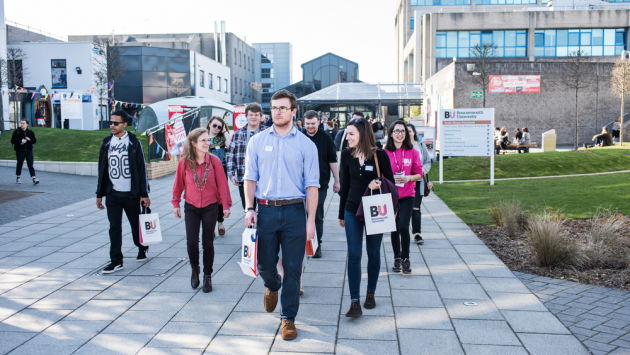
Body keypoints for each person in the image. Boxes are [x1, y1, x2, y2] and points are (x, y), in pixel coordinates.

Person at [244, 89, 319, 341]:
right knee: (265, 264)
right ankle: (272, 285)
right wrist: (249, 208)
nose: (277, 112)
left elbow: (312, 186)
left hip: (294, 211)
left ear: (293, 111)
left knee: (293, 267)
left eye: (282, 108)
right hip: (264, 209)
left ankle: (288, 318)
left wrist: (310, 221)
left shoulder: (306, 145)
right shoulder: (257, 141)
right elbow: (250, 178)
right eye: (274, 108)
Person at [338, 117, 395, 317]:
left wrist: (377, 181)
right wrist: (341, 213)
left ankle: (370, 293)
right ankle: (355, 301)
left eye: (351, 133)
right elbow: (344, 186)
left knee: (373, 252)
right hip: (352, 209)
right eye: (347, 133)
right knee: (354, 254)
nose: (347, 137)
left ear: (362, 134)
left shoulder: (379, 155)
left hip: (375, 209)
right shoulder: (346, 155)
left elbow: (390, 181)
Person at [172, 128, 232, 292]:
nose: (207, 143)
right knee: (192, 242)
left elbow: (223, 185)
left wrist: (225, 205)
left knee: (208, 242)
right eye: (203, 140)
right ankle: (195, 269)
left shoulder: (214, 162)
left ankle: (207, 275)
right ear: (193, 143)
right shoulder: (184, 162)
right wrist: (175, 203)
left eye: (208, 140)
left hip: (210, 206)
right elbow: (178, 185)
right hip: (191, 207)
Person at [96, 110, 150, 274]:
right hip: (113, 194)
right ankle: (116, 260)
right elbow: (102, 170)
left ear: (125, 124)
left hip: (131, 194)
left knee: (135, 225)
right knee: (114, 227)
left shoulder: (133, 142)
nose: (112, 126)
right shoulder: (106, 143)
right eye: (110, 123)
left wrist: (144, 193)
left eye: (115, 123)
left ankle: (142, 247)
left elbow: (142, 169)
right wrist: (99, 194)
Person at [385, 121, 423, 274]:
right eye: (397, 131)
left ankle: (406, 259)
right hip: (391, 194)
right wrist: (389, 179)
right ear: (391, 133)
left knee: (403, 226)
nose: (400, 134)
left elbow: (420, 173)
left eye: (403, 131)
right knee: (393, 228)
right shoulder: (384, 152)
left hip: (408, 194)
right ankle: (397, 258)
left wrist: (409, 178)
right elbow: (379, 174)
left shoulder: (412, 151)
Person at [303, 110, 340, 258]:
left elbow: (332, 160)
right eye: (307, 124)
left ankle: (316, 245)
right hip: (300, 184)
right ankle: (302, 243)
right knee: (301, 214)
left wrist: (337, 180)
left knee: (316, 215)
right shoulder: (299, 137)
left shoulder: (326, 138)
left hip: (320, 184)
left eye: (313, 123)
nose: (310, 126)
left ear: (319, 122)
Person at [226, 103, 268, 211]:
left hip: (265, 178)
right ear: (246, 116)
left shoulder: (268, 133)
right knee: (248, 208)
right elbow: (231, 154)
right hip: (244, 177)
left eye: (256, 115)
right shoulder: (238, 133)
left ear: (261, 116)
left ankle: (263, 228)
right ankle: (250, 228)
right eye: (251, 115)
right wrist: (231, 174)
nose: (253, 117)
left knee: (265, 210)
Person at [206, 116, 233, 237]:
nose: (216, 128)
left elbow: (231, 145)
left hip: (221, 169)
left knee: (221, 197)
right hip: (206, 170)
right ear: (210, 124)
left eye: (219, 127)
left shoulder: (222, 137)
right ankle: (210, 227)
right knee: (209, 198)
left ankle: (220, 224)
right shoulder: (203, 137)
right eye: (214, 125)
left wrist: (226, 131)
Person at [407, 124, 431, 245]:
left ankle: (417, 234)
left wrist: (421, 171)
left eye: (409, 131)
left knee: (416, 208)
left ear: (414, 132)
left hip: (418, 182)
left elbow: (427, 161)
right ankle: (402, 231)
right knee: (404, 208)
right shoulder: (401, 146)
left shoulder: (421, 146)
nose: (407, 133)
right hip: (404, 182)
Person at [11, 119, 39, 185]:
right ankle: (18, 177)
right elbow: (13, 140)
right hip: (20, 151)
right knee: (19, 164)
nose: (22, 125)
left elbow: (34, 141)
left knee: (30, 165)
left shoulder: (30, 132)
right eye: (21, 123)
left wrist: (30, 139)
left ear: (27, 124)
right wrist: (20, 141)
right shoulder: (17, 131)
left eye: (23, 123)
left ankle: (34, 178)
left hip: (29, 151)